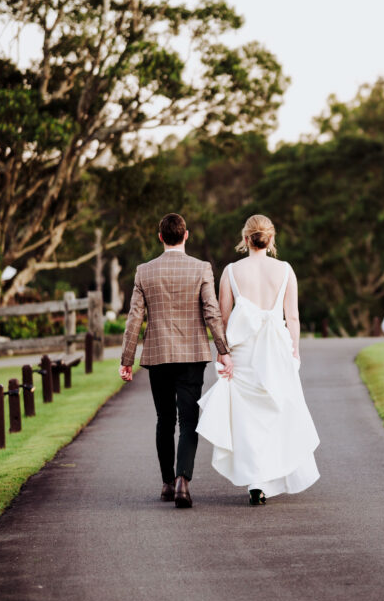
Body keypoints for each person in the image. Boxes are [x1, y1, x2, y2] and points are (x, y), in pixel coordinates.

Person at [197, 215, 320, 506]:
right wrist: (295, 351)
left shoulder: (230, 271)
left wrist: (222, 353)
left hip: (243, 353)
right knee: (276, 412)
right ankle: (266, 476)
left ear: (245, 238)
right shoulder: (286, 270)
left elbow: (223, 318)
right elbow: (292, 317)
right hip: (277, 350)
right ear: (271, 239)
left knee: (247, 418)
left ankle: (256, 480)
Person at [119, 213, 232, 509]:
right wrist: (223, 348)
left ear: (160, 237)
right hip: (193, 355)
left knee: (164, 420)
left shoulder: (144, 271)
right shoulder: (201, 268)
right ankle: (184, 480)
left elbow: (134, 319)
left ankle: (168, 482)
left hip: (157, 356)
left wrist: (126, 359)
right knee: (189, 420)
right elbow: (211, 311)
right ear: (186, 236)